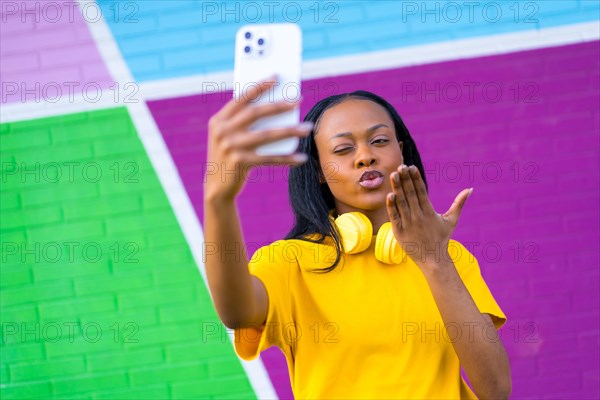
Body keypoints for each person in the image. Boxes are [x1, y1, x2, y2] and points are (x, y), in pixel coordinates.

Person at [204, 78, 511, 399]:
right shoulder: (289, 262)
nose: (365, 156)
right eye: (343, 149)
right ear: (319, 171)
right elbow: (236, 313)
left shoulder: (449, 258)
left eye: (379, 141)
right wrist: (218, 201)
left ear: (401, 151)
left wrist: (435, 260)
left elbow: (495, 389)